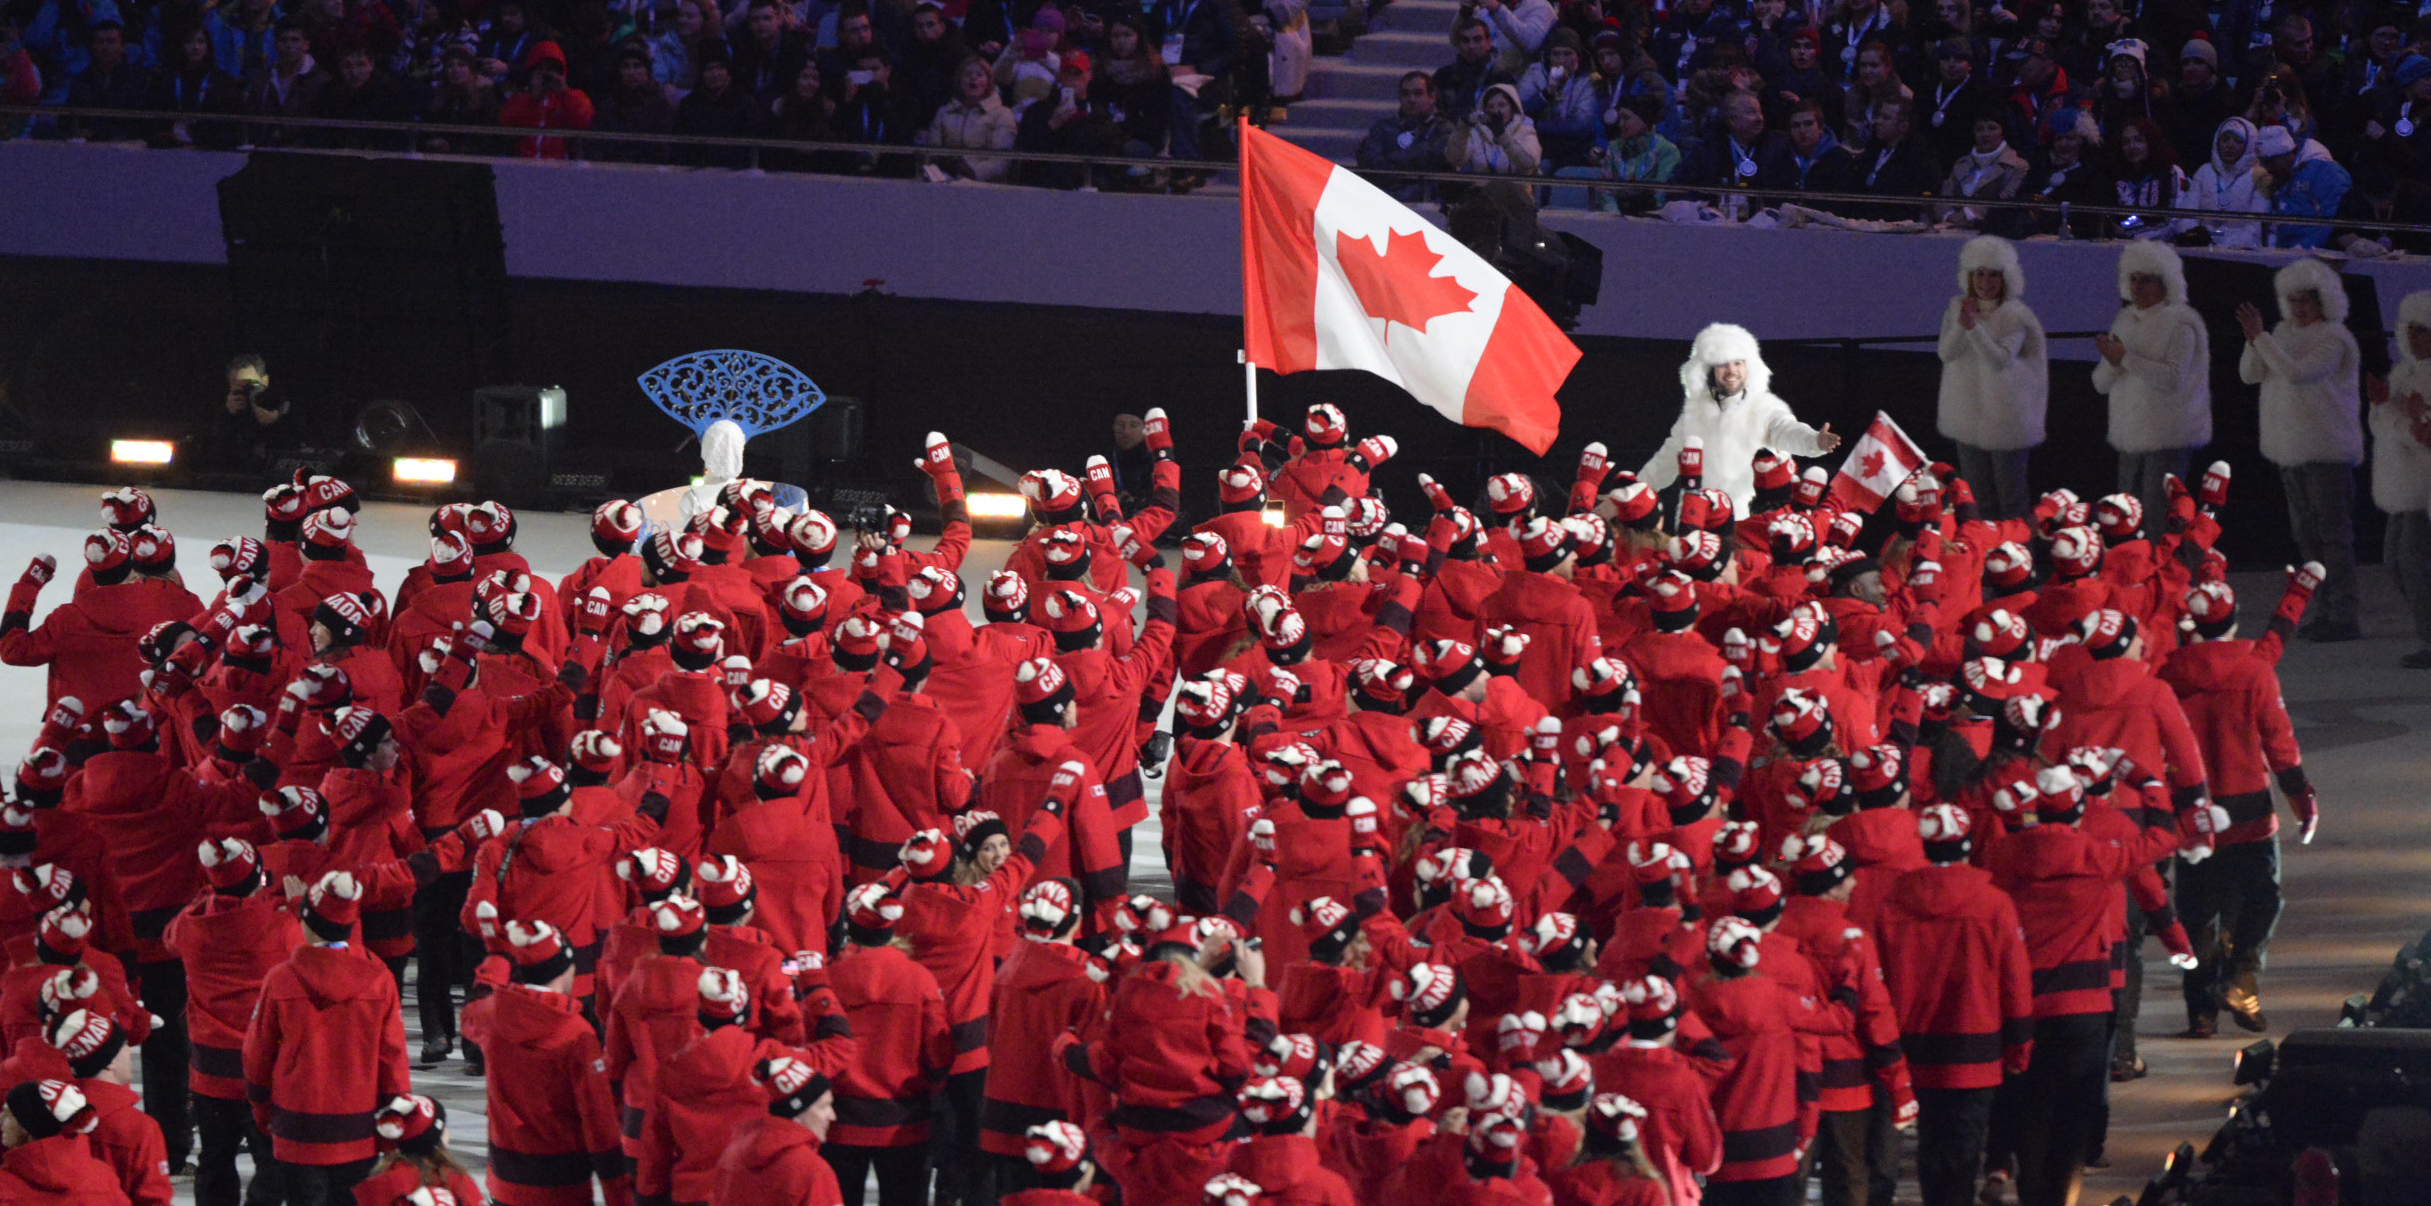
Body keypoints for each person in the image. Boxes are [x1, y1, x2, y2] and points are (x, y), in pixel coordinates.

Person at [2238, 257, 2363, 641]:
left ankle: (2344, 614)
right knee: (2306, 535)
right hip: (2289, 448)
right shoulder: (2281, 332)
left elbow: (2298, 373)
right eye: (2293, 300)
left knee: (2333, 534)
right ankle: (2323, 610)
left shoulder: (2334, 337)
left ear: (2324, 300)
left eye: (2306, 299)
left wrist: (2261, 338)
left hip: (2326, 449)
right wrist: (2253, 340)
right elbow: (2249, 375)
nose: (2299, 308)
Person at [1641, 322, 1842, 512]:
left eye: (1738, 363)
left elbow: (1786, 430)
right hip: (1702, 522)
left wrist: (1814, 440)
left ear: (1749, 367)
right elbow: (1664, 463)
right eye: (1723, 364)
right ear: (1709, 369)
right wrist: (1630, 494)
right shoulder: (1694, 415)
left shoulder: (1764, 407)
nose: (1731, 371)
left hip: (1753, 523)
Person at [2093, 239, 2209, 533]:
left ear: (2166, 283)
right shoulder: (2125, 319)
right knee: (2126, 515)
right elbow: (2100, 384)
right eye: (2134, 279)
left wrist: (2125, 358)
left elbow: (2172, 378)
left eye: (2147, 280)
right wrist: (2113, 362)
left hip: (2167, 434)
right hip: (2130, 434)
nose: (2138, 287)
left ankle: (2165, 576)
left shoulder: (2182, 323)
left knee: (2159, 516)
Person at [1935, 235, 2047, 521]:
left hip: (2007, 419)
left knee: (2012, 501)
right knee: (1978, 499)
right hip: (1968, 416)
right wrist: (1963, 324)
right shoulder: (1956, 307)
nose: (1986, 282)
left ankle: (2020, 562)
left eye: (1994, 275)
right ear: (1969, 276)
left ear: (2006, 278)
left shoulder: (2017, 316)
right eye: (1980, 274)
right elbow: (1946, 353)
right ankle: (1982, 560)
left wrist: (1973, 327)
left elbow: (1998, 359)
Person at [2373, 291, 2431, 667]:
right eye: (2409, 330)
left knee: (2410, 561)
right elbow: (2384, 426)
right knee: (2395, 561)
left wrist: (2402, 420)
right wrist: (2395, 416)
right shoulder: (2404, 372)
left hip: (2422, 486)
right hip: (2403, 483)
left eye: (2422, 331)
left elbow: (2419, 435)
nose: (2413, 338)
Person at [2168, 116, 2267, 247]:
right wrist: (2195, 235)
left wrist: (2215, 238)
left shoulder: (2260, 176)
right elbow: (2186, 216)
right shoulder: (2204, 171)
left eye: (2237, 141)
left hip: (2241, 254)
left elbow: (2254, 229)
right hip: (2200, 249)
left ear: (2249, 145)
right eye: (2225, 139)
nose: (2230, 145)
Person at [1356, 72, 1453, 200]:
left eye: (1418, 93)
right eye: (1405, 94)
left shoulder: (1444, 130)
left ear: (1432, 97)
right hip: (1383, 199)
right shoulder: (1383, 127)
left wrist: (1390, 160)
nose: (1411, 99)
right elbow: (1368, 163)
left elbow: (1430, 160)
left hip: (1426, 204)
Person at [920, 53, 1016, 182]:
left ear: (988, 81)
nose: (973, 78)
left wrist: (972, 173)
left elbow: (1001, 160)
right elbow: (932, 151)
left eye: (979, 75)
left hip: (985, 187)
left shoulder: (1002, 114)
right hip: (945, 183)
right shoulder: (944, 112)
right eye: (967, 74)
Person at [2254, 123, 2351, 249]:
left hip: (2314, 255)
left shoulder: (2324, 171)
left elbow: (2333, 220)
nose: (2267, 168)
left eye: (2270, 162)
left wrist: (2303, 248)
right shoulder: (2282, 179)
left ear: (2287, 155)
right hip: (2284, 254)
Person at [495, 40, 594, 158]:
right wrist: (534, 96)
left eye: (551, 69)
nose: (546, 75)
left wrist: (564, 92)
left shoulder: (573, 97)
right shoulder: (521, 99)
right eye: (540, 69)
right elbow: (505, 123)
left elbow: (583, 120)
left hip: (559, 167)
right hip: (524, 166)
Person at [1939, 114, 2030, 227]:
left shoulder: (2017, 166)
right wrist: (1949, 216)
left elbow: (2005, 199)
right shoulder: (1961, 163)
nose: (1985, 134)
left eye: (1992, 128)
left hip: (1993, 230)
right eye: (1980, 129)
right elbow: (1943, 197)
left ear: (2003, 132)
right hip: (1951, 228)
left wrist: (1968, 214)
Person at [63, 21, 149, 141]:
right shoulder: (82, 80)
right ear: (92, 47)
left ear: (122, 46)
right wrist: (77, 131)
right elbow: (70, 117)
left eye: (111, 41)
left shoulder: (139, 79)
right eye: (100, 42)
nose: (105, 47)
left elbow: (138, 121)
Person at [1446, 81, 1540, 175]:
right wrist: (1462, 128)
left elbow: (1529, 165)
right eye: (1490, 107)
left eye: (1502, 105)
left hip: (1515, 188)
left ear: (1513, 107)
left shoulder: (1526, 131)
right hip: (1480, 188)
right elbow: (1455, 160)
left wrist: (1502, 136)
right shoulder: (1476, 133)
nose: (1496, 111)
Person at [1434, 17, 1512, 123]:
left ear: (1488, 42)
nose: (1471, 46)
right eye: (1465, 40)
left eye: (1477, 40)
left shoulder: (1502, 78)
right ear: (1458, 44)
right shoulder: (1443, 76)